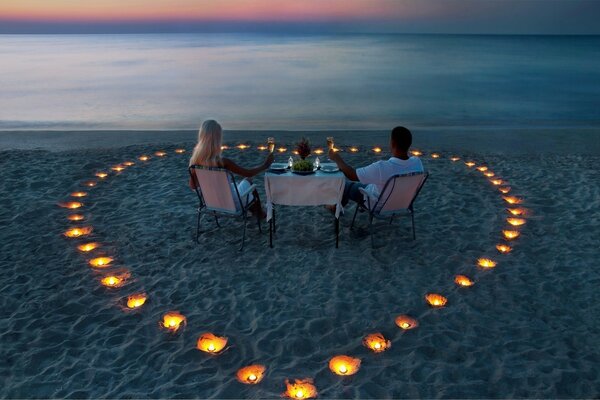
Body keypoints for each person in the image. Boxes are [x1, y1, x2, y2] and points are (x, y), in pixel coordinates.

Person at [188, 119, 273, 218]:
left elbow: (193, 187)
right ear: (217, 139)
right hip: (231, 204)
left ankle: (257, 212)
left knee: (237, 186)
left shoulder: (195, 163)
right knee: (248, 181)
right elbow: (248, 173)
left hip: (210, 202)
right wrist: (265, 165)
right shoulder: (223, 162)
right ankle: (260, 214)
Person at [328, 126, 424, 208]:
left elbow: (353, 175)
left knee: (344, 185)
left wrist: (337, 159)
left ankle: (335, 207)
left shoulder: (382, 167)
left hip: (378, 204)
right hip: (402, 204)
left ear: (393, 143)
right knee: (369, 185)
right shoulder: (417, 162)